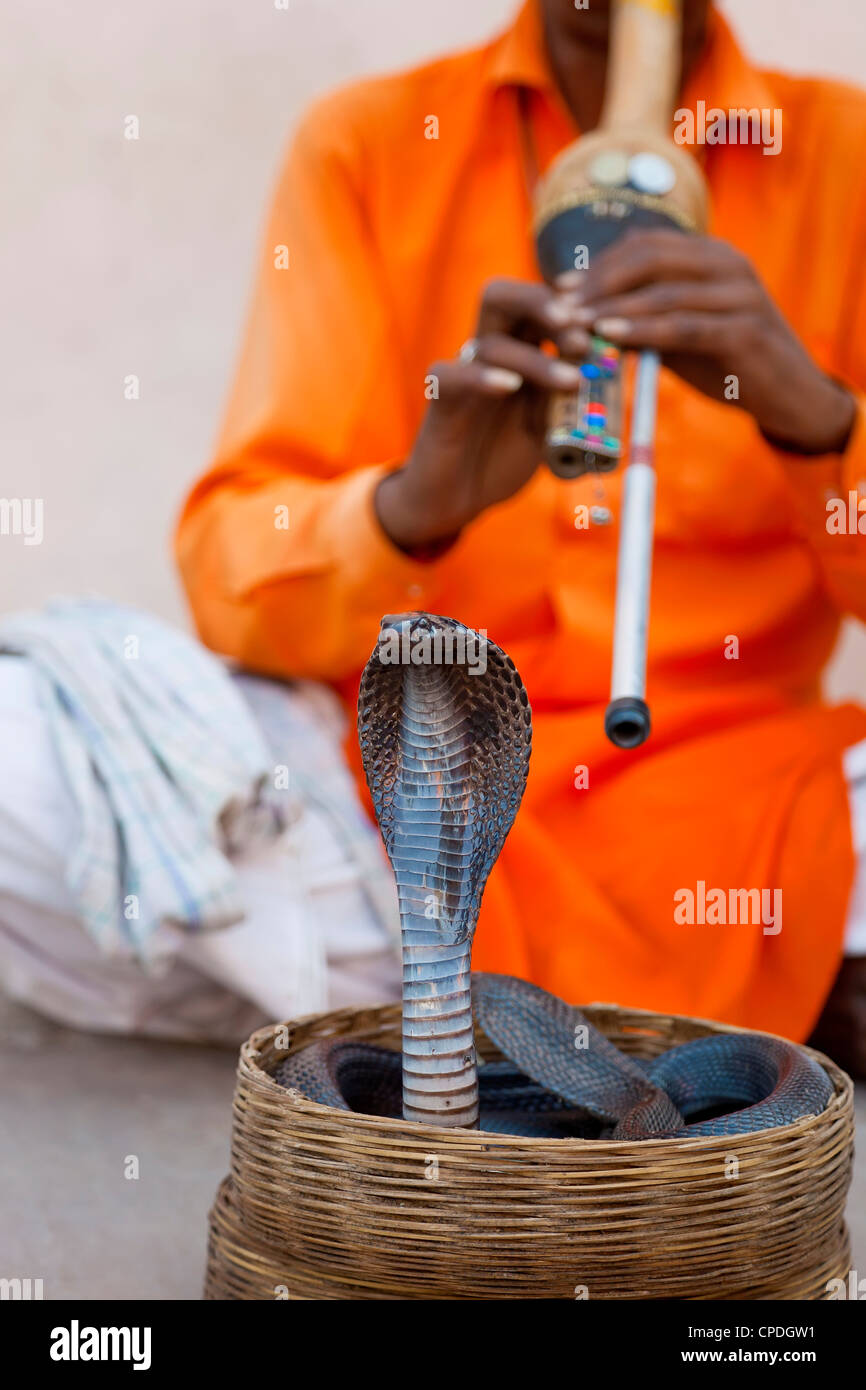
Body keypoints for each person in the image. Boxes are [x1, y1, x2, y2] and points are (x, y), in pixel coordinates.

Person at [176, 0, 866, 1069]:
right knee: (36, 737)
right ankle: (750, 1007)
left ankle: (429, 1019)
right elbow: (232, 573)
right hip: (406, 789)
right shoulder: (370, 141)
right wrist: (414, 505)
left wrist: (815, 416)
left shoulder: (839, 154)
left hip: (747, 804)